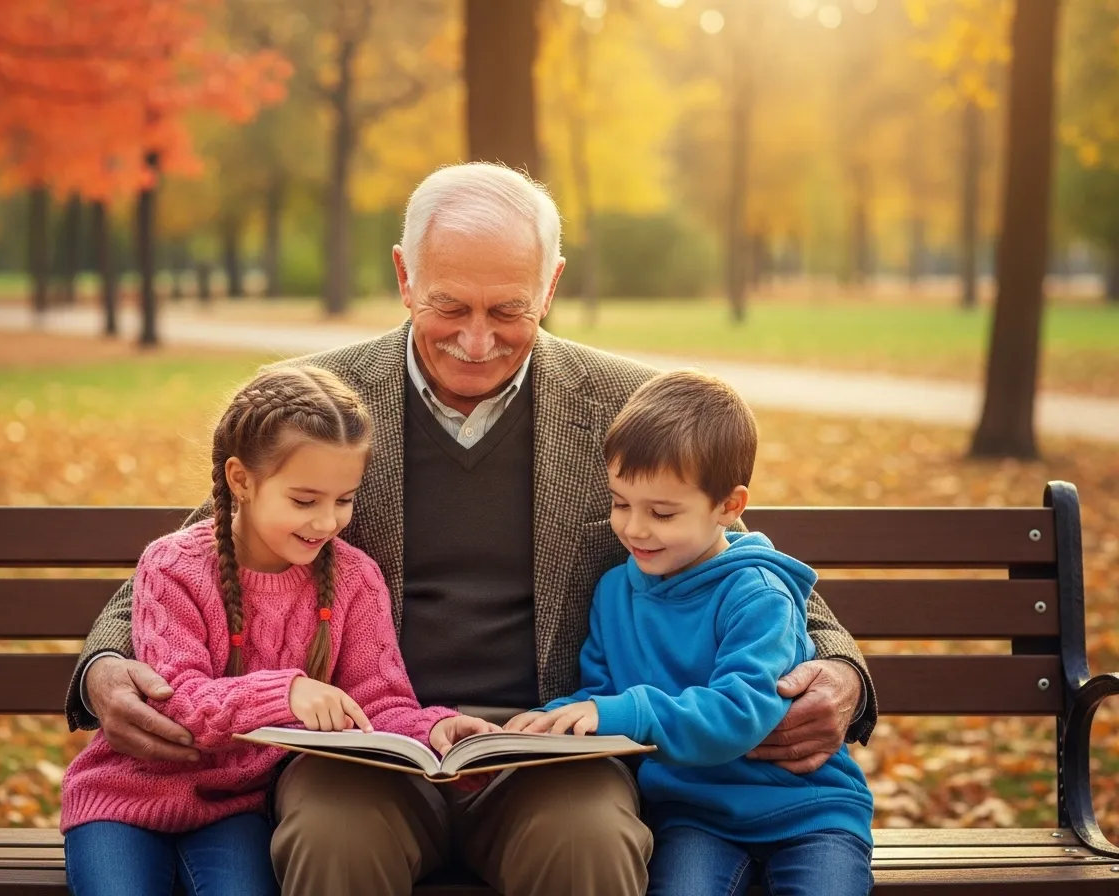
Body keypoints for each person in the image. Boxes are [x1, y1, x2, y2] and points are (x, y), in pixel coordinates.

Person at [66, 162, 877, 896]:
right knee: (330, 834)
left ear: (550, 286)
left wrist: (841, 671)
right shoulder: (327, 400)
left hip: (549, 749)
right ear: (403, 275)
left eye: (508, 310)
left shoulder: (628, 406)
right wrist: (105, 665)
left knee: (593, 840)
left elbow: (741, 564)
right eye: (448, 305)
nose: (477, 340)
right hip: (367, 748)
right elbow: (205, 547)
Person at [59, 366, 494, 896]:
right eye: (304, 501)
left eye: (344, 500)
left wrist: (435, 731)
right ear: (242, 480)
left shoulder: (354, 579)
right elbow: (176, 701)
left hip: (238, 806)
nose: (327, 522)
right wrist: (288, 691)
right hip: (125, 798)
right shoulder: (174, 566)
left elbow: (377, 704)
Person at [508, 369, 874, 896]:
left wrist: (624, 711)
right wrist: (539, 728)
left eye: (661, 512)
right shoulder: (616, 592)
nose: (634, 528)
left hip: (807, 812)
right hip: (693, 815)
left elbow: (739, 712)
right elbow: (602, 700)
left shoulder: (757, 594)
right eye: (620, 502)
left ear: (729, 506)